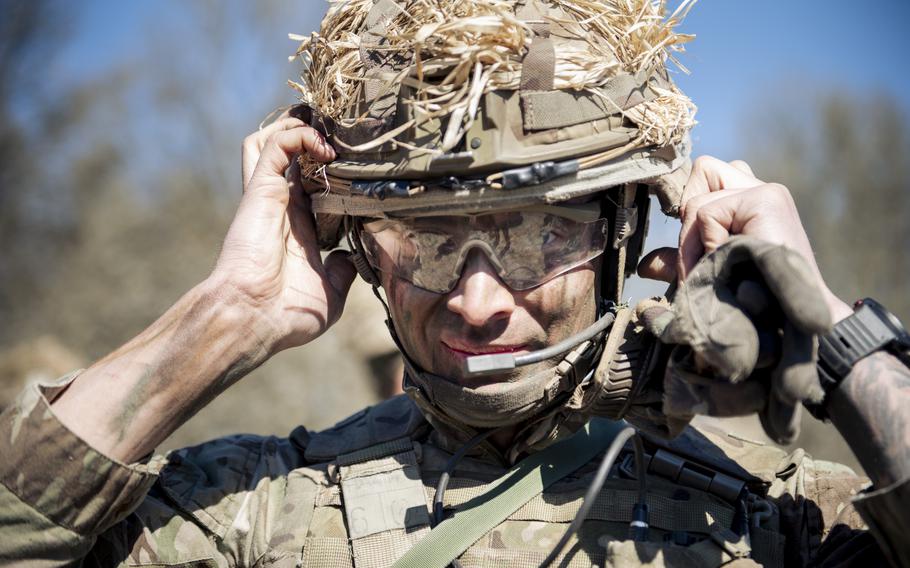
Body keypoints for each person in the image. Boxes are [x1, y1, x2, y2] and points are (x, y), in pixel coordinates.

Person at [1, 1, 908, 566]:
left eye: (540, 235)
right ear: (362, 255)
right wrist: (228, 313)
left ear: (624, 237)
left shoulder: (776, 517)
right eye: (425, 242)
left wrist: (835, 336)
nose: (477, 302)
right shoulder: (256, 510)